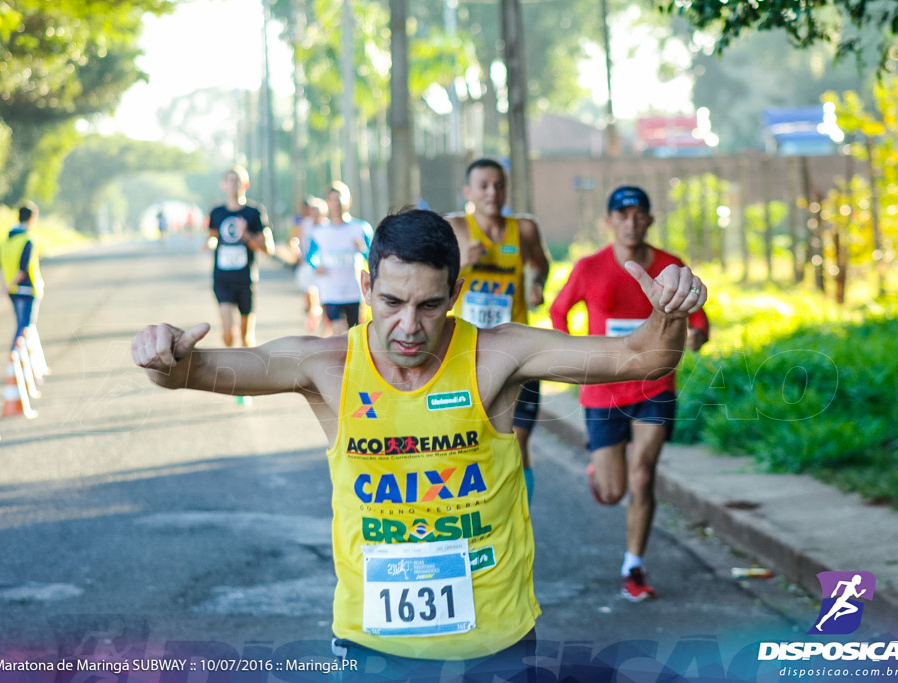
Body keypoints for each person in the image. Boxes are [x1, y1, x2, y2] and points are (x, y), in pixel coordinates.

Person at [132, 208, 707, 673]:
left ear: (455, 293)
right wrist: (162, 351)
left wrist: (671, 311)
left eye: (430, 305)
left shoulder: (497, 356)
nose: (409, 325)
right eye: (391, 302)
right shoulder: (325, 365)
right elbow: (190, 370)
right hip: (371, 644)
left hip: (494, 645)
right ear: (366, 286)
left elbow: (645, 357)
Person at [549, 185, 710, 603]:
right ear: (609, 222)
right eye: (622, 215)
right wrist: (573, 357)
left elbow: (699, 317)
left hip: (654, 386)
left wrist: (697, 336)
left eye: (639, 214)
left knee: (643, 474)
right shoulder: (588, 268)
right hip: (602, 389)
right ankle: (599, 473)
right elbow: (558, 310)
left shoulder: (671, 265)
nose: (631, 222)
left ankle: (633, 566)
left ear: (650, 220)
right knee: (613, 491)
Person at [446, 158, 551, 504]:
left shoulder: (523, 229)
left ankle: (520, 516)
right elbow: (430, 280)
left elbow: (541, 263)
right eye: (484, 186)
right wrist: (461, 262)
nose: (493, 192)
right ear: (468, 191)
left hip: (518, 351)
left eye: (499, 185)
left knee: (517, 442)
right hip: (468, 354)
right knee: (472, 443)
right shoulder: (456, 227)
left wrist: (536, 284)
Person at [207, 165, 275, 348]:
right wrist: (209, 244)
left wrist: (246, 235)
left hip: (246, 280)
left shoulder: (254, 212)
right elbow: (212, 237)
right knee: (228, 332)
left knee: (246, 338)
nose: (233, 184)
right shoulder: (217, 212)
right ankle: (231, 368)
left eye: (237, 180)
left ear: (245, 184)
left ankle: (246, 373)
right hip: (222, 279)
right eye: (230, 180)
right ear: (224, 185)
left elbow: (268, 248)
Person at [306, 181, 373, 336]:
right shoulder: (319, 232)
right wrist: (316, 266)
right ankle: (340, 359)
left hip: (353, 291)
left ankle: (351, 360)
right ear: (327, 203)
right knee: (338, 332)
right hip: (330, 292)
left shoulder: (361, 228)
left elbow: (374, 256)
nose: (337, 203)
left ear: (348, 200)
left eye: (340, 199)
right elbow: (310, 256)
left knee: (354, 334)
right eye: (333, 199)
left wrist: (362, 249)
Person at [0, 203, 44, 351]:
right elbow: (23, 269)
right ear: (31, 219)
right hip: (27, 288)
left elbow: (0, 264)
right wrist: (11, 284)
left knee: (21, 325)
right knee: (25, 327)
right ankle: (15, 362)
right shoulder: (28, 239)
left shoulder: (7, 240)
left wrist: (6, 285)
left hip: (12, 290)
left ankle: (24, 366)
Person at [287, 196, 327, 332]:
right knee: (309, 296)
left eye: (318, 212)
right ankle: (313, 314)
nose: (315, 215)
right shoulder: (305, 224)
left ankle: (322, 322)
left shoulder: (327, 226)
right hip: (306, 266)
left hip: (323, 268)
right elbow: (294, 240)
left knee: (323, 298)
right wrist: (297, 252)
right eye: (313, 211)